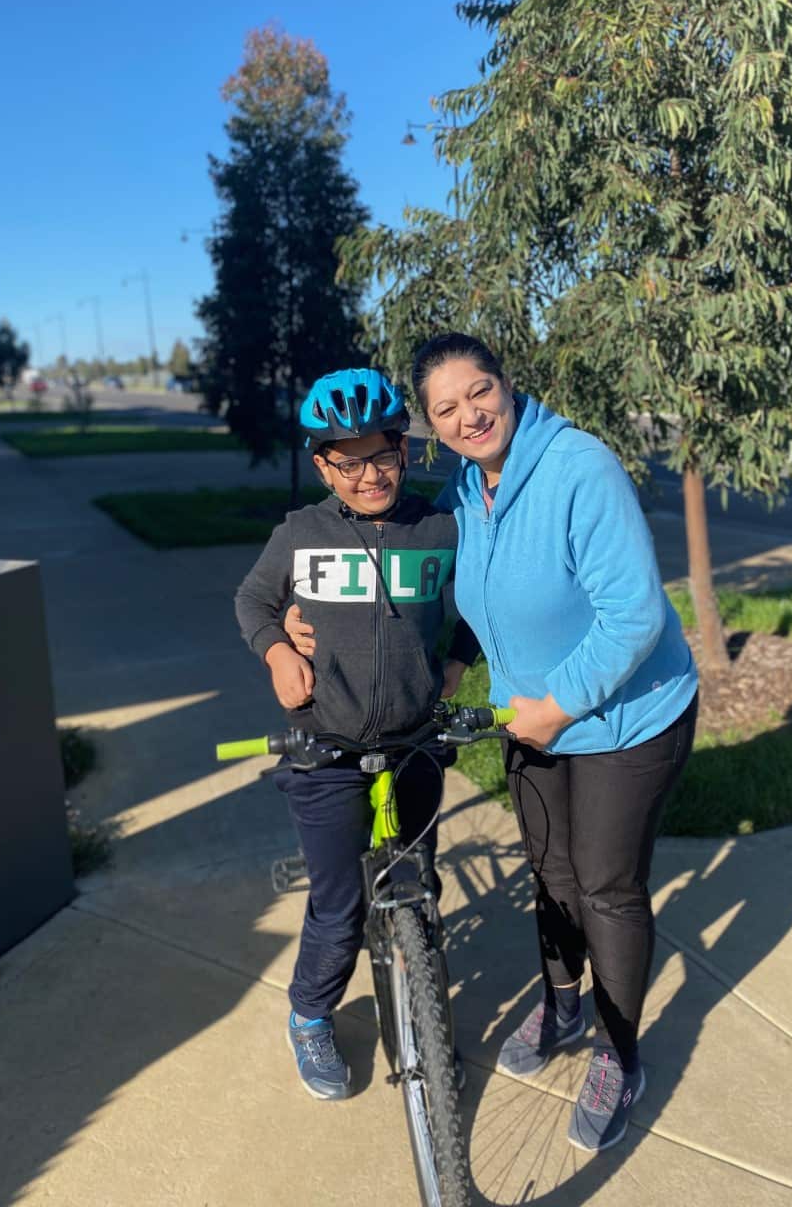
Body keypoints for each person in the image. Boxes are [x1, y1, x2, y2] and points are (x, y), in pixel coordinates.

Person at [287, 333, 697, 1151]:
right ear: (432, 428)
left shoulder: (579, 468)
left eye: (480, 393)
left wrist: (558, 704)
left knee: (606, 886)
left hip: (625, 717)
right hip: (531, 717)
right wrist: (310, 632)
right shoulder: (468, 491)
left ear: (510, 388)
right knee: (552, 871)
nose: (469, 414)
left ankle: (620, 1055)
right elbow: (460, 600)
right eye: (447, 408)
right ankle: (562, 1002)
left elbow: (637, 616)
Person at [234, 366, 477, 1101]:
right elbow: (252, 600)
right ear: (323, 466)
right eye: (350, 460)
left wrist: (459, 663)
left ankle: (427, 1022)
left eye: (385, 454)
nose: (371, 474)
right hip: (325, 752)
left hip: (414, 742)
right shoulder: (300, 534)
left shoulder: (437, 529)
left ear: (406, 449)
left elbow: (473, 611)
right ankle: (310, 1014)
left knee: (419, 889)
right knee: (338, 909)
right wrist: (278, 649)